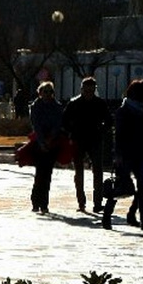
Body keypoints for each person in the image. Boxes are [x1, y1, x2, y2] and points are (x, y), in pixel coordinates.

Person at [107, 79, 143, 233]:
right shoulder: (124, 111)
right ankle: (107, 214)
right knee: (122, 185)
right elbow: (119, 135)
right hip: (127, 154)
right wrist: (118, 154)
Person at [61, 77, 111, 214]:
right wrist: (71, 133)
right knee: (79, 172)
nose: (89, 93)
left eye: (92, 90)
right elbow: (64, 121)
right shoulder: (74, 103)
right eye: (86, 90)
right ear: (82, 89)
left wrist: (102, 130)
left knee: (98, 171)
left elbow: (109, 121)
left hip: (95, 139)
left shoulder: (100, 103)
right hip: (78, 140)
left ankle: (98, 202)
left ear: (95, 90)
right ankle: (81, 202)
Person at [27, 81, 65, 215]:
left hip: (52, 142)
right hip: (39, 142)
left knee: (47, 174)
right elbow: (35, 125)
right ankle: (35, 201)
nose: (48, 94)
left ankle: (44, 203)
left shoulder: (57, 107)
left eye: (50, 92)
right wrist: (42, 142)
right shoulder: (35, 106)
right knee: (39, 173)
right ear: (40, 93)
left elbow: (58, 124)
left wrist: (50, 139)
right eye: (45, 91)